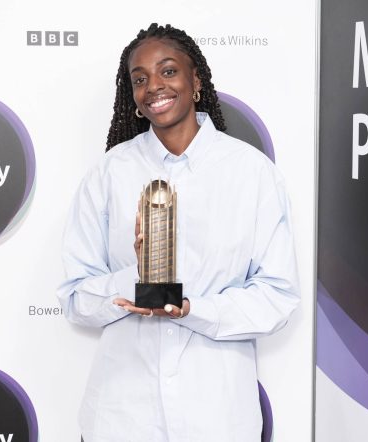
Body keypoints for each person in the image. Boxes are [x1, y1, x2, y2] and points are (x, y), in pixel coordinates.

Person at [58, 23, 299, 442]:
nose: (154, 86)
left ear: (196, 81)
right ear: (132, 96)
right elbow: (76, 298)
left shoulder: (251, 172)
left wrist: (191, 308)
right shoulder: (110, 173)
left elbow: (277, 297)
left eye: (168, 71)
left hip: (217, 418)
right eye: (140, 79)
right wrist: (139, 277)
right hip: (123, 418)